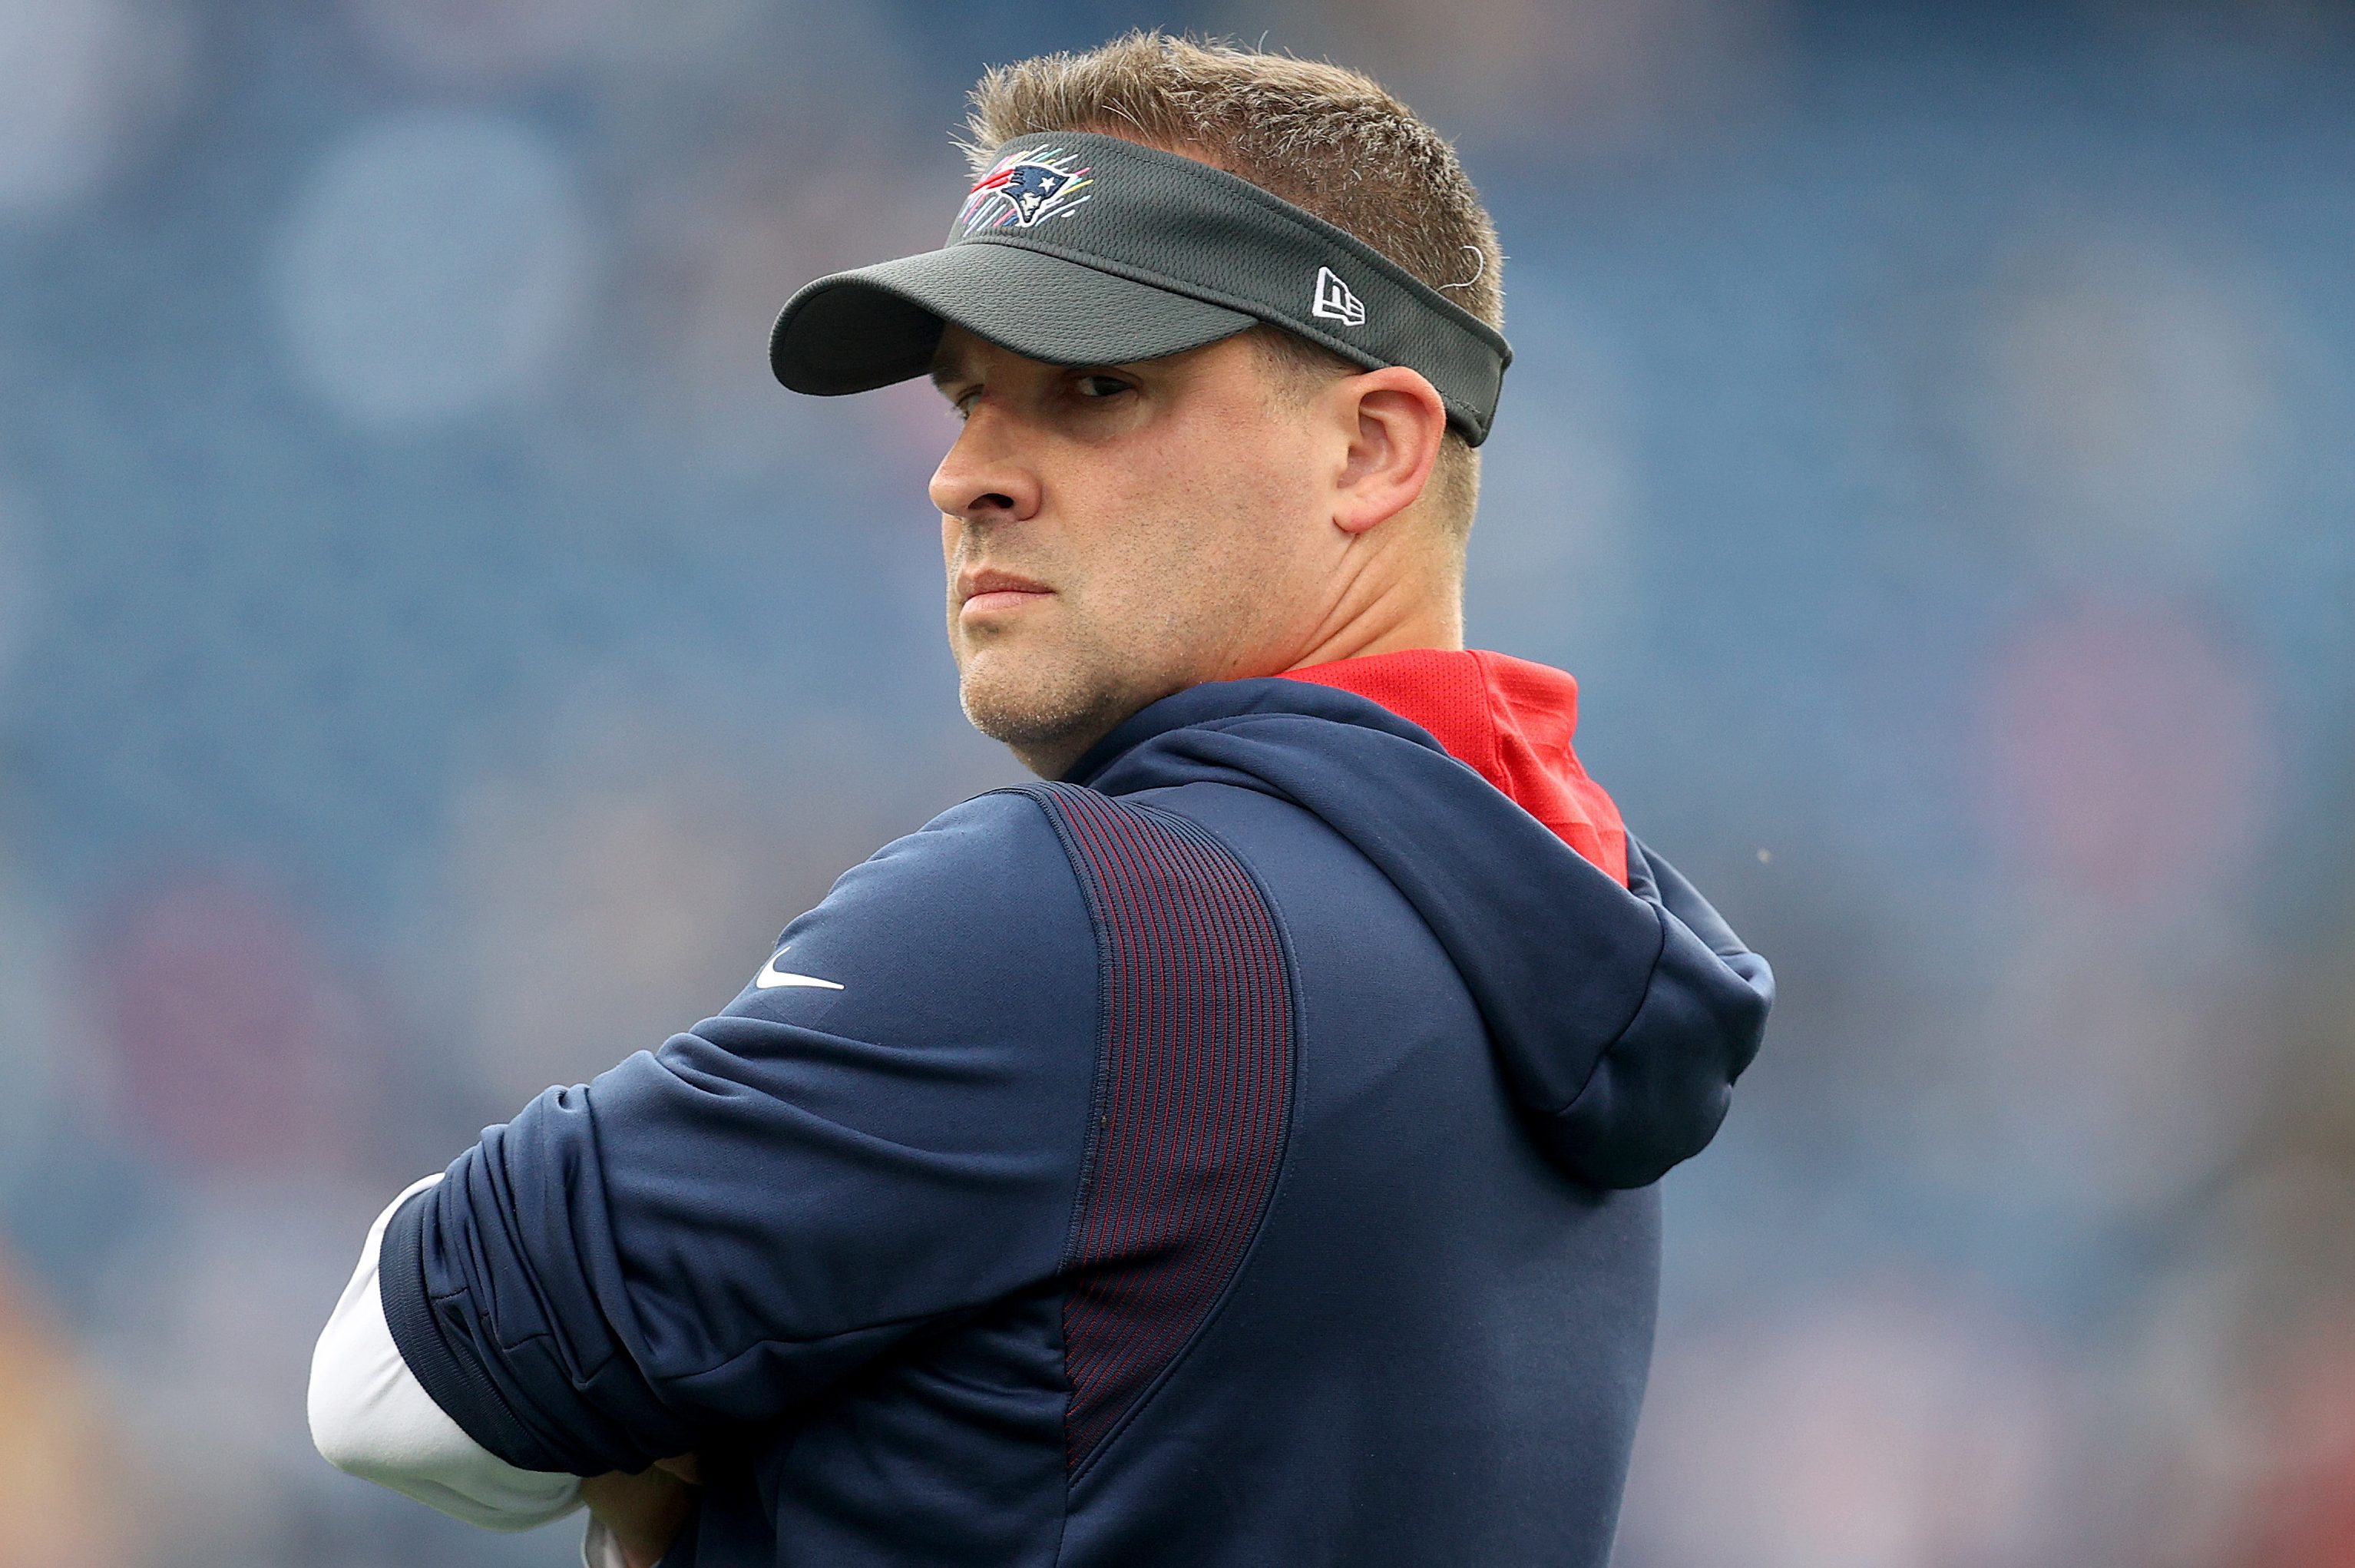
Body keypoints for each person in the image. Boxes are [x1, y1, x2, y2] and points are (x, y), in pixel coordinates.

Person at [308, 32, 1771, 1568]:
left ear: (1370, 446)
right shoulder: (1559, 952)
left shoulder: (1093, 921)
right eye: (963, 400)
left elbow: (392, 1378)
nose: (964, 477)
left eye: (1092, 388)